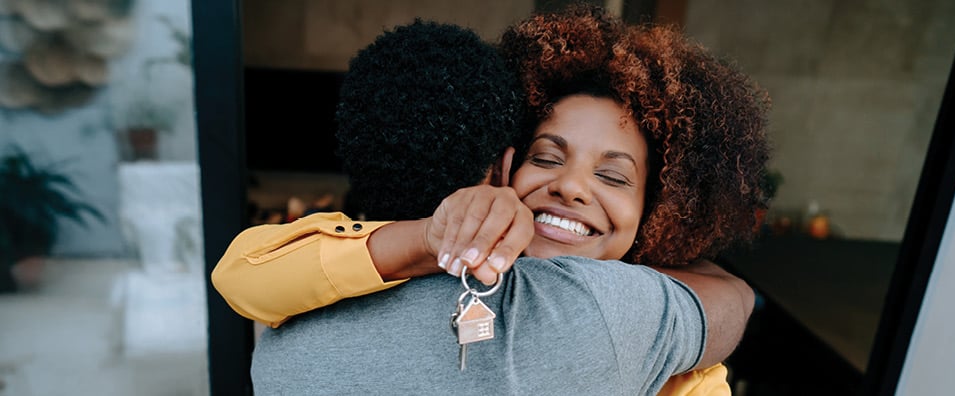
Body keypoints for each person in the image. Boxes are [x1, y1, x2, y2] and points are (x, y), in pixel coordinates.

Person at [214, 6, 769, 395]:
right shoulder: (658, 320)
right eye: (548, 157)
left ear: (661, 207)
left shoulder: (660, 346)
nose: (572, 187)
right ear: (504, 167)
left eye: (615, 177)